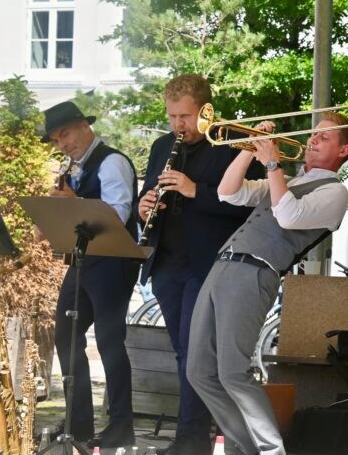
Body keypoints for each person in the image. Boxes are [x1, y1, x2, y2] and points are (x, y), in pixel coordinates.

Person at [186, 111, 348, 455]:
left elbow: (288, 215)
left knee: (233, 372)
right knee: (199, 373)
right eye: (314, 134)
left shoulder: (335, 192)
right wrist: (250, 149)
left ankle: (270, 451)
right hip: (223, 265)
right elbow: (227, 192)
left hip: (255, 271)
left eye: (324, 137)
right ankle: (247, 448)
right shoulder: (286, 181)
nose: (312, 139)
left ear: (343, 151)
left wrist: (271, 164)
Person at [137, 74, 265, 454]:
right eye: (173, 116)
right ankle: (194, 435)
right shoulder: (163, 146)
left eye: (186, 116)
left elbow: (249, 208)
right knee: (182, 351)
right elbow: (148, 193)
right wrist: (142, 207)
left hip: (208, 264)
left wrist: (196, 191)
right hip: (167, 262)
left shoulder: (231, 145)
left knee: (195, 353)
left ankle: (192, 440)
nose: (179, 125)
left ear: (206, 110)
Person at [42, 101, 140, 448]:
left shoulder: (112, 161)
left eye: (65, 134)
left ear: (84, 125)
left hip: (114, 261)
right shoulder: (76, 168)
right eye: (56, 140)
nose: (63, 144)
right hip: (85, 261)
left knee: (110, 340)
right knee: (66, 334)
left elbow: (118, 212)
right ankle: (78, 423)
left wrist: (75, 199)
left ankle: (121, 425)